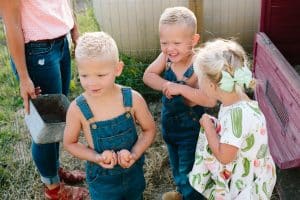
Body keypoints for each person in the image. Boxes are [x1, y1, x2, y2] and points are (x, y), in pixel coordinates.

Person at [1, 1, 88, 199]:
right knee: (47, 127)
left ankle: (53, 170)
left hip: (60, 44)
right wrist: (24, 78)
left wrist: (74, 32)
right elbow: (12, 25)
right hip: (37, 52)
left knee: (58, 120)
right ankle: (53, 189)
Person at [63, 31, 156, 200]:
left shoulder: (132, 99)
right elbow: (70, 143)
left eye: (100, 75)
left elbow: (149, 130)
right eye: (84, 75)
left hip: (133, 174)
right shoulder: (77, 108)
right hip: (102, 182)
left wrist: (134, 154)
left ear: (117, 69)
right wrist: (96, 157)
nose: (92, 82)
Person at [188, 39, 276, 199]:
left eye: (199, 78)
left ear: (212, 85)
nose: (197, 83)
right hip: (250, 171)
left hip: (246, 186)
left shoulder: (239, 115)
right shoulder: (238, 104)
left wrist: (209, 129)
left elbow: (224, 156)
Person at [143, 6, 214, 200]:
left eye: (176, 42)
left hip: (191, 130)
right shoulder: (166, 58)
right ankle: (182, 192)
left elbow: (209, 98)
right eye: (164, 42)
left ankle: (192, 195)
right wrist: (166, 83)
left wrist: (182, 88)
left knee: (189, 170)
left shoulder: (199, 64)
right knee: (175, 163)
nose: (169, 48)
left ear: (193, 41)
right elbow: (148, 76)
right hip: (169, 126)